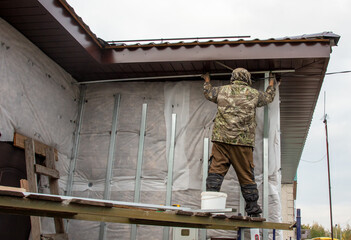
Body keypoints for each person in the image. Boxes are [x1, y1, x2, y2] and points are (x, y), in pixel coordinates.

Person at [201, 68, 277, 217]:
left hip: (221, 140)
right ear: (247, 78)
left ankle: (210, 206)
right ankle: (253, 210)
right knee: (246, 175)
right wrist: (272, 83)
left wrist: (207, 79)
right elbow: (268, 97)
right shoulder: (253, 94)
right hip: (243, 143)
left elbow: (208, 93)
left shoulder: (221, 91)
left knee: (215, 171)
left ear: (233, 77)